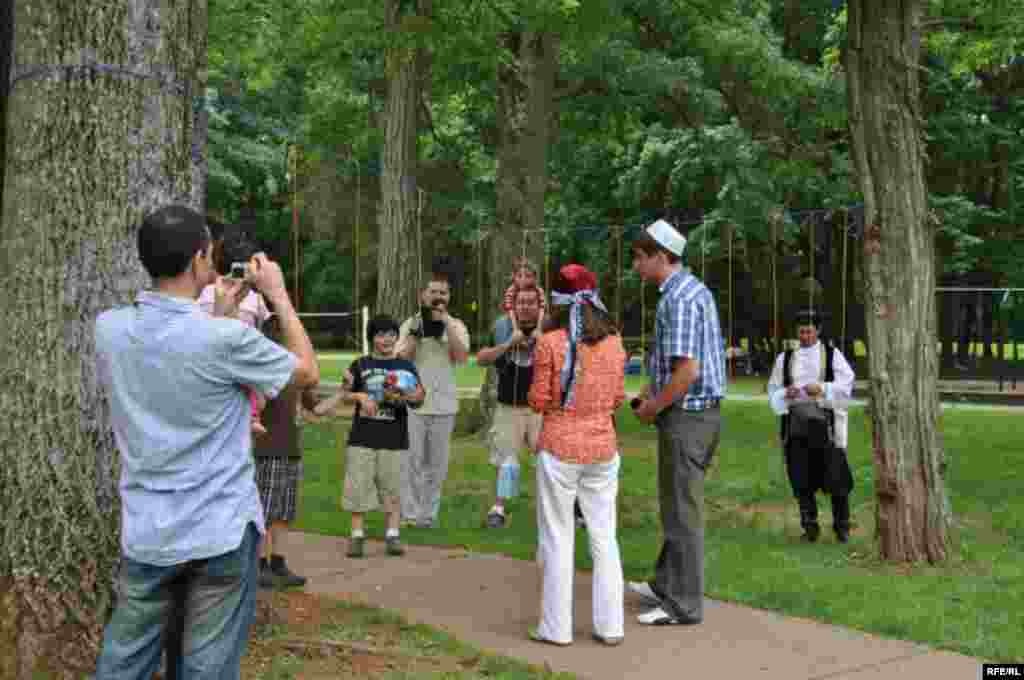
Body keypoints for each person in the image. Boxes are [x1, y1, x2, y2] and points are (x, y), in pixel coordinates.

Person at [94, 205, 318, 678]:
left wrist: (221, 314)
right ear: (200, 258)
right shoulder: (224, 340)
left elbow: (177, 365)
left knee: (123, 664)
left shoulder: (109, 329)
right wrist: (277, 295)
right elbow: (307, 371)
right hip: (219, 530)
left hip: (149, 530)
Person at [628, 218, 725, 626]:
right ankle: (666, 583)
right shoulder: (684, 291)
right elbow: (669, 363)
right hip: (690, 414)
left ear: (660, 257)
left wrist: (653, 407)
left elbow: (686, 372)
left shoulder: (680, 299)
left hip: (689, 416)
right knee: (674, 504)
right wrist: (652, 391)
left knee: (683, 510)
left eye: (639, 258)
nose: (635, 267)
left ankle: (682, 605)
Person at [527, 264, 627, 647]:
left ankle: (556, 627)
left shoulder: (550, 341)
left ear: (555, 299)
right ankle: (611, 625)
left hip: (560, 447)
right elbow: (617, 397)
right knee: (605, 535)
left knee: (557, 536)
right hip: (603, 447)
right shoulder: (615, 341)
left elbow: (538, 400)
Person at [316, 315, 426, 557]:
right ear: (371, 338)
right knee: (358, 486)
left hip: (394, 439)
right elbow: (343, 395)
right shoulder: (360, 365)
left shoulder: (406, 367)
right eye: (380, 334)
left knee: (393, 487)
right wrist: (359, 397)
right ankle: (357, 536)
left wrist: (406, 397)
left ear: (397, 337)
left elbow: (419, 398)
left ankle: (393, 535)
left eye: (391, 334)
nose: (386, 339)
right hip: (362, 438)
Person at [767, 309, 855, 543]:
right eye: (801, 332)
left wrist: (823, 389)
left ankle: (842, 527)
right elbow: (772, 392)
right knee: (801, 478)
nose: (804, 336)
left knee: (836, 478)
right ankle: (810, 527)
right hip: (796, 427)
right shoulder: (784, 359)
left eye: (809, 331)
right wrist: (787, 392)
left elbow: (847, 384)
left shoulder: (831, 354)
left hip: (827, 427)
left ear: (818, 330)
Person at [254, 312, 324, 588]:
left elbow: (314, 408)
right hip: (267, 448)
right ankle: (258, 563)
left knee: (284, 509)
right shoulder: (262, 368)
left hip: (291, 448)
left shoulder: (297, 372)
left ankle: (278, 562)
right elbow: (256, 403)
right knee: (264, 509)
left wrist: (345, 395)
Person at [396, 272, 471, 528]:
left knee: (436, 467)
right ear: (422, 295)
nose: (439, 297)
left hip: (444, 405)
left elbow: (461, 357)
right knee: (411, 462)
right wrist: (417, 335)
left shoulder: (457, 324)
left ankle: (428, 516)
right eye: (434, 292)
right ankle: (410, 514)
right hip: (413, 404)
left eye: (443, 293)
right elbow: (400, 359)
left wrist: (446, 324)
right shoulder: (410, 324)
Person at [477, 285, 545, 528]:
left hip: (541, 409)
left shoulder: (549, 329)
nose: (526, 306)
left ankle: (549, 508)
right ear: (514, 306)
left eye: (531, 302)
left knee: (547, 460)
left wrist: (542, 342)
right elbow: (481, 359)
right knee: (506, 459)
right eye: (521, 302)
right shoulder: (502, 327)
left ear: (539, 306)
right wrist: (507, 344)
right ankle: (498, 508)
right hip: (509, 407)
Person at [198, 228, 271, 435]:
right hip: (225, 352)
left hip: (233, 354)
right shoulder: (210, 293)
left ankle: (252, 417)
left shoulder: (207, 293)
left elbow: (262, 327)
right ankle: (251, 417)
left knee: (246, 384)